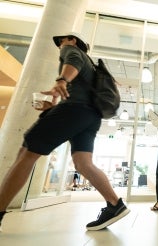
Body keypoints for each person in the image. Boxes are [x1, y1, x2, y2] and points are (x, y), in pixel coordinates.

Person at [0, 32, 129, 231]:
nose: (60, 45)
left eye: (61, 41)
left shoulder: (72, 51)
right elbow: (82, 96)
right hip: (91, 116)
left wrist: (61, 80)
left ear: (73, 40)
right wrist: (53, 108)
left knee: (26, 153)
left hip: (75, 110)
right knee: (83, 163)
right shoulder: (92, 67)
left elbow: (74, 60)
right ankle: (115, 204)